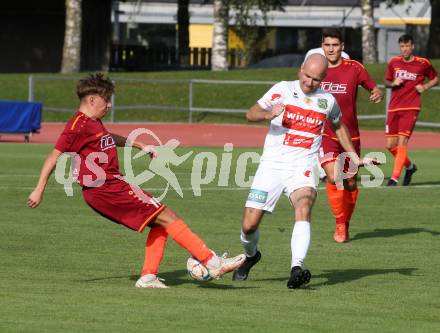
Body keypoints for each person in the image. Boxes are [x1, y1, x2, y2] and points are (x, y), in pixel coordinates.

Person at [27, 73, 245, 289]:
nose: (110, 105)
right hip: (105, 189)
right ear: (92, 100)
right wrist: (39, 189)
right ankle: (212, 262)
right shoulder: (77, 126)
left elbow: (109, 138)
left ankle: (148, 277)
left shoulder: (93, 123)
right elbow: (53, 156)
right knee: (167, 217)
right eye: (107, 100)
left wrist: (141, 146)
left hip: (110, 186)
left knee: (159, 221)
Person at [232, 54, 371, 289]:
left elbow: (339, 126)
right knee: (249, 226)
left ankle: (297, 268)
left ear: (323, 79)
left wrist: (354, 156)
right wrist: (268, 114)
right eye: (307, 76)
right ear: (300, 70)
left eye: (316, 79)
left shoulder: (327, 101)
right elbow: (250, 113)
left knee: (304, 206)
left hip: (303, 168)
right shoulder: (282, 89)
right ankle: (252, 255)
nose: (310, 83)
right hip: (272, 167)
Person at [318, 28, 383, 243]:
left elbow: (373, 87)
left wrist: (376, 92)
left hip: (350, 135)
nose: (331, 49)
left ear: (342, 46)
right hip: (325, 134)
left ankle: (345, 222)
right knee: (333, 176)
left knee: (351, 183)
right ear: (322, 46)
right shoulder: (316, 68)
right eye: (327, 45)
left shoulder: (354, 68)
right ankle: (339, 223)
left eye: (335, 45)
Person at [385, 34, 438, 186]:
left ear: (412, 46)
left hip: (411, 107)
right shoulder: (394, 62)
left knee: (402, 142)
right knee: (390, 145)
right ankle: (410, 166)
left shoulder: (423, 63)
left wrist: (425, 87)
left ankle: (394, 178)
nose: (405, 49)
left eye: (407, 46)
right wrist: (392, 82)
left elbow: (435, 78)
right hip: (394, 107)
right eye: (402, 46)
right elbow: (386, 81)